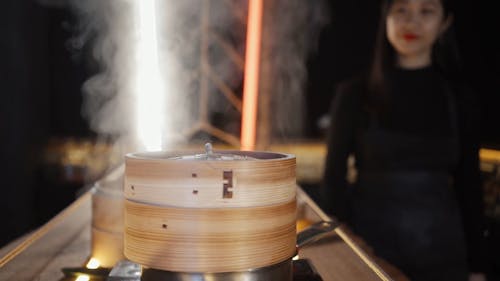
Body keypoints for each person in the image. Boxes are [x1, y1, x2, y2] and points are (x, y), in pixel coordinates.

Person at [320, 0, 487, 280]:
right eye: (401, 11)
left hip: (444, 256)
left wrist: (478, 267)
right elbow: (332, 182)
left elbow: (469, 185)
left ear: (445, 22)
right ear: (386, 18)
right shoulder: (353, 95)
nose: (412, 22)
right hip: (370, 253)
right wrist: (346, 251)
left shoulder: (460, 99)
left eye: (427, 11)